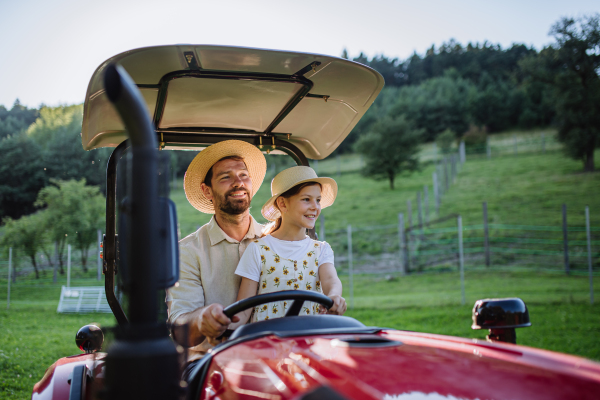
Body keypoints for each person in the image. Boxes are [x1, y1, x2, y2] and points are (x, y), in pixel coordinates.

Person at [166, 139, 267, 363]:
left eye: (243, 175)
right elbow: (180, 327)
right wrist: (202, 319)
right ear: (207, 190)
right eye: (225, 177)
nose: (238, 183)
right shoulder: (188, 251)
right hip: (211, 362)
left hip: (273, 355)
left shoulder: (274, 239)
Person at [234, 166, 346, 323]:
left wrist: (334, 295)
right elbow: (243, 310)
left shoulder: (321, 250)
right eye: (306, 199)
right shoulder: (258, 250)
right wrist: (225, 328)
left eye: (318, 200)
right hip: (268, 340)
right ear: (283, 204)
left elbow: (330, 280)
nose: (315, 206)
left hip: (307, 338)